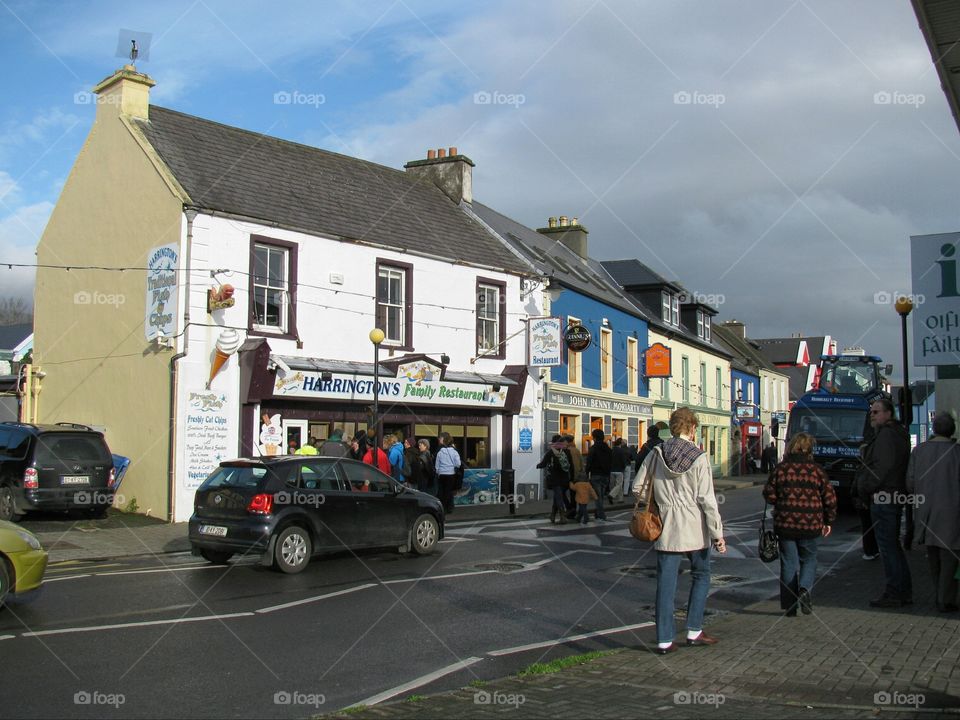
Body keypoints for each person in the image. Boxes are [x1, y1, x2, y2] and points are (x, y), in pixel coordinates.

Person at [635, 407, 725, 655]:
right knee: (702, 574)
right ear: (692, 428)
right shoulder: (699, 456)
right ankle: (694, 630)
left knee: (665, 583)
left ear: (673, 428)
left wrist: (658, 502)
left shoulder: (656, 452)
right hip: (695, 528)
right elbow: (707, 499)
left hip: (666, 527)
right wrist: (717, 533)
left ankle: (664, 640)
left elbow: (637, 487)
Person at [763, 432, 837, 616]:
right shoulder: (817, 470)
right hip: (811, 523)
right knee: (809, 559)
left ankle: (789, 606)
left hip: (785, 523)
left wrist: (783, 498)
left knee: (788, 563)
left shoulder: (781, 469)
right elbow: (830, 498)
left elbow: (769, 495)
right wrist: (828, 520)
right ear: (810, 449)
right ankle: (804, 589)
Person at [856, 398, 912, 608]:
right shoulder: (896, 434)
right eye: (871, 412)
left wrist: (866, 487)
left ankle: (895, 592)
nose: (872, 415)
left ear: (889, 414)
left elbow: (881, 468)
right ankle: (902, 591)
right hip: (890, 494)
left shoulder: (886, 435)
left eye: (877, 412)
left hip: (884, 496)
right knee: (893, 546)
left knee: (888, 547)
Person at [906, 412, 960, 612]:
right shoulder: (957, 452)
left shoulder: (919, 451)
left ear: (934, 428)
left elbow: (910, 484)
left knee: (933, 556)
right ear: (952, 430)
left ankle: (939, 594)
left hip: (925, 513)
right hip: (952, 514)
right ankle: (945, 599)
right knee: (950, 559)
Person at [537, 434, 574, 524]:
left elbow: (543, 463)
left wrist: (538, 466)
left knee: (558, 497)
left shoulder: (551, 452)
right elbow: (571, 466)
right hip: (565, 479)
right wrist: (571, 478)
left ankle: (562, 516)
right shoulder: (567, 452)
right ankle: (553, 515)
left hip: (555, 479)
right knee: (558, 496)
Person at [585, 428, 612, 521]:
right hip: (605, 475)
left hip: (596, 474)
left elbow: (589, 462)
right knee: (601, 495)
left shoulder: (593, 448)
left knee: (597, 496)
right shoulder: (608, 449)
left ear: (594, 438)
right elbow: (610, 462)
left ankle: (601, 515)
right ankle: (598, 513)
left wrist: (586, 473)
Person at [435, 432, 461, 514]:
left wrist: (438, 472)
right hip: (451, 474)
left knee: (441, 492)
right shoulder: (454, 452)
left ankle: (441, 508)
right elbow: (458, 464)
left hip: (442, 474)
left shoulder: (439, 452)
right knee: (449, 492)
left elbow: (436, 466)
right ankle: (449, 508)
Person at [564, 434, 583, 518]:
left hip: (567, 475)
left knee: (561, 493)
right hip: (576, 476)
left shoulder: (565, 451)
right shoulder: (577, 450)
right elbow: (581, 464)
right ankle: (574, 510)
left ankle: (569, 510)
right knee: (573, 495)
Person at [610, 437, 629, 504]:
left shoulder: (611, 450)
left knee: (613, 485)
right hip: (619, 470)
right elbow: (623, 461)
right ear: (620, 444)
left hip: (612, 470)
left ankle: (620, 499)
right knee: (619, 485)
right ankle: (611, 495)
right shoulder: (621, 451)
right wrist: (623, 467)